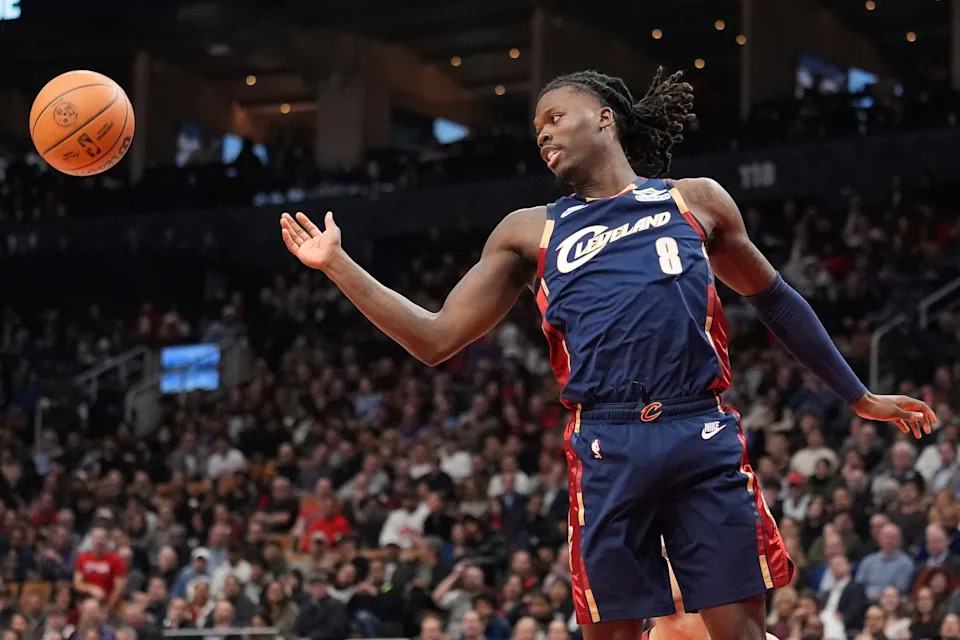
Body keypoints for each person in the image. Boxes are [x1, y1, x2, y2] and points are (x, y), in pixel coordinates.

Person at [279, 67, 938, 640]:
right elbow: (433, 338)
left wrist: (858, 395)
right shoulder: (530, 231)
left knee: (741, 632)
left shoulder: (695, 200)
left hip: (700, 431)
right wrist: (338, 266)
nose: (543, 134)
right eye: (536, 129)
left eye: (554, 117)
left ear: (604, 117)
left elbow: (776, 300)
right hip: (605, 445)